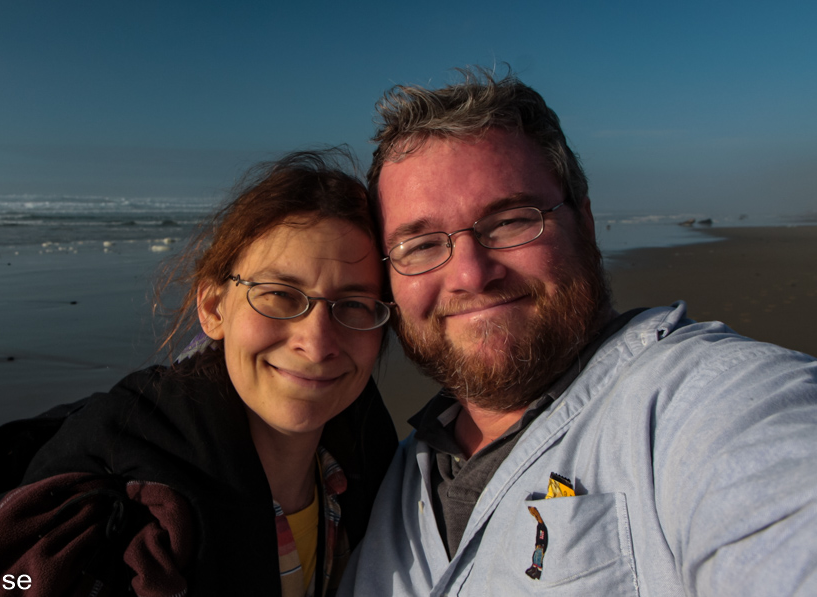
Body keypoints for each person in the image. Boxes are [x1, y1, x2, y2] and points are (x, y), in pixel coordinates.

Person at [339, 68, 817, 596]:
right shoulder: (387, 477)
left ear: (586, 223)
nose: (472, 275)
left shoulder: (707, 403)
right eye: (421, 245)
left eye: (510, 221)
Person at [0, 149, 398, 597]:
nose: (315, 342)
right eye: (278, 295)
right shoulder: (132, 518)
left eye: (353, 304)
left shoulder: (376, 460)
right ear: (213, 308)